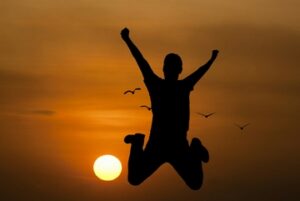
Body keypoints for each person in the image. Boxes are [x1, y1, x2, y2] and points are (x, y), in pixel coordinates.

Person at [121, 27, 219, 190]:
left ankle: (194, 148)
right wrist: (127, 40)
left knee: (195, 183)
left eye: (173, 67)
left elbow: (141, 61)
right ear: (168, 69)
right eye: (170, 66)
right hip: (158, 144)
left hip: (177, 145)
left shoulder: (180, 86)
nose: (170, 70)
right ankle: (137, 141)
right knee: (134, 178)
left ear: (175, 70)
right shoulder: (162, 85)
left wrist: (212, 59)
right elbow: (141, 61)